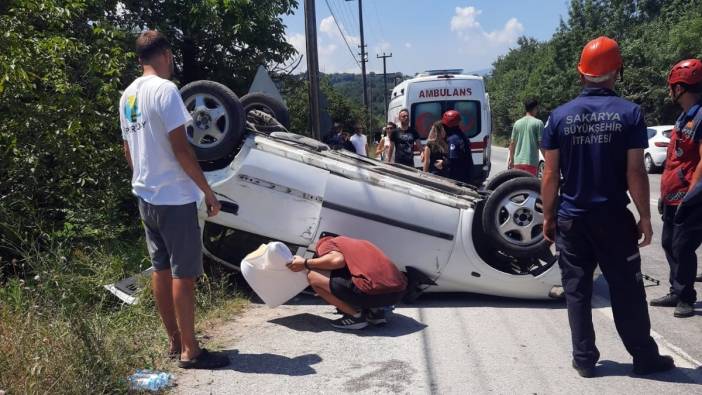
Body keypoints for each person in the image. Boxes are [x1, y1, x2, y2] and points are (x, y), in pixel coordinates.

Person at [540, 36, 674, 378]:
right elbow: (635, 171)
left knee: (577, 290)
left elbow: (552, 173)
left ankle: (584, 358)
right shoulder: (629, 113)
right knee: (627, 290)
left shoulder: (558, 117)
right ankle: (644, 357)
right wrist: (644, 217)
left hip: (572, 220)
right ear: (616, 71)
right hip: (614, 219)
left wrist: (548, 215)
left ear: (581, 73)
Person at [119, 30, 229, 369]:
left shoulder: (128, 96)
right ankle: (190, 350)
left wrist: (144, 179)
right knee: (183, 273)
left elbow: (128, 150)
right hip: (174, 197)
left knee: (160, 268)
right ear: (165, 54)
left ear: (140, 58)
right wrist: (207, 192)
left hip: (146, 195)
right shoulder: (165, 91)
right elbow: (182, 149)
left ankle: (174, 339)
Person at [650, 59, 702, 318]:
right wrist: (664, 195)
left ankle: (686, 297)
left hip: (690, 197)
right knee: (669, 243)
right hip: (673, 194)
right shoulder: (683, 117)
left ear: (681, 87)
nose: (669, 91)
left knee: (683, 247)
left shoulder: (701, 116)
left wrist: (691, 196)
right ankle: (675, 289)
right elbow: (674, 160)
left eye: (672, 86)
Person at [287, 236, 407, 330]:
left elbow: (337, 261)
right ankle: (376, 313)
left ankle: (356, 318)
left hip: (370, 293)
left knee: (313, 276)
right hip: (397, 294)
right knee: (365, 279)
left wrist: (305, 263)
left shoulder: (327, 243)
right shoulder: (362, 244)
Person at [508, 98, 544, 176]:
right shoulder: (538, 123)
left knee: (519, 186)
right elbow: (541, 144)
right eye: (537, 108)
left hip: (517, 162)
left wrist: (511, 159)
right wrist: (547, 160)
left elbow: (512, 143)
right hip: (531, 162)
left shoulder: (517, 123)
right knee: (529, 187)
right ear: (534, 108)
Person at [442, 110, 474, 184]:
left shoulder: (453, 139)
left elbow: (453, 160)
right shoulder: (461, 135)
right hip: (466, 176)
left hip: (457, 178)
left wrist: (443, 163)